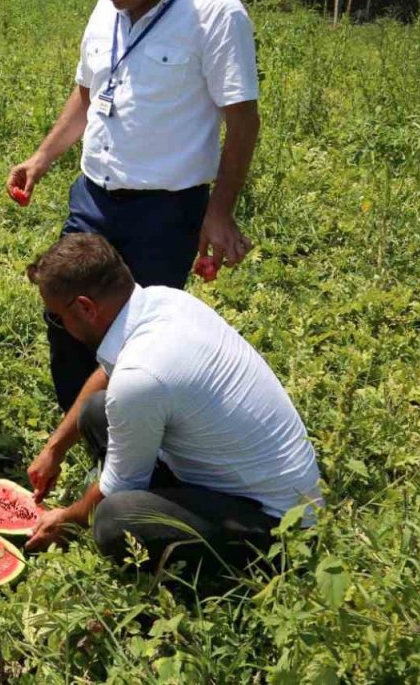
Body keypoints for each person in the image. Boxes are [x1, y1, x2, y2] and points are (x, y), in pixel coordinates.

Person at [7, 0, 262, 413]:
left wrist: (220, 212)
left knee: (135, 342)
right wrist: (42, 158)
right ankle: (80, 431)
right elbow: (86, 92)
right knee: (63, 311)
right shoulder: (110, 4)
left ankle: (129, 457)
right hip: (92, 197)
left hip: (163, 213)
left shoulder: (216, 14)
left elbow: (243, 121)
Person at [23, 234, 323, 573]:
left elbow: (120, 486)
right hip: (253, 483)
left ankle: (238, 567)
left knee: (113, 518)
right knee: (95, 410)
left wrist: (66, 520)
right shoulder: (165, 301)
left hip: (278, 525)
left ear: (85, 308)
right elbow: (108, 375)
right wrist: (55, 447)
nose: (60, 327)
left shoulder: (140, 377)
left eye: (57, 318)